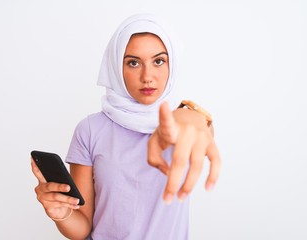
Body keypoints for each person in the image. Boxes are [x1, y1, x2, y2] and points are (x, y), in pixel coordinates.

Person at [31, 13, 221, 240]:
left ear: (173, 64)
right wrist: (60, 213)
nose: (147, 76)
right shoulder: (90, 130)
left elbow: (199, 127)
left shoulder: (185, 123)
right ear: (116, 68)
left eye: (158, 61)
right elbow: (82, 229)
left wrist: (189, 117)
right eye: (133, 62)